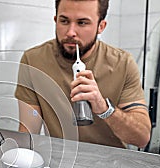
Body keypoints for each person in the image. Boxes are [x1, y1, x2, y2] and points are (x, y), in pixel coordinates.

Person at [15, 0, 151, 149]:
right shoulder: (34, 60)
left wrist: (104, 108)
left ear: (101, 26)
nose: (70, 32)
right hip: (60, 162)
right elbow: (28, 131)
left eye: (82, 23)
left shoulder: (123, 64)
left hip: (112, 164)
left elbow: (141, 138)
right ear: (55, 20)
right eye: (64, 21)